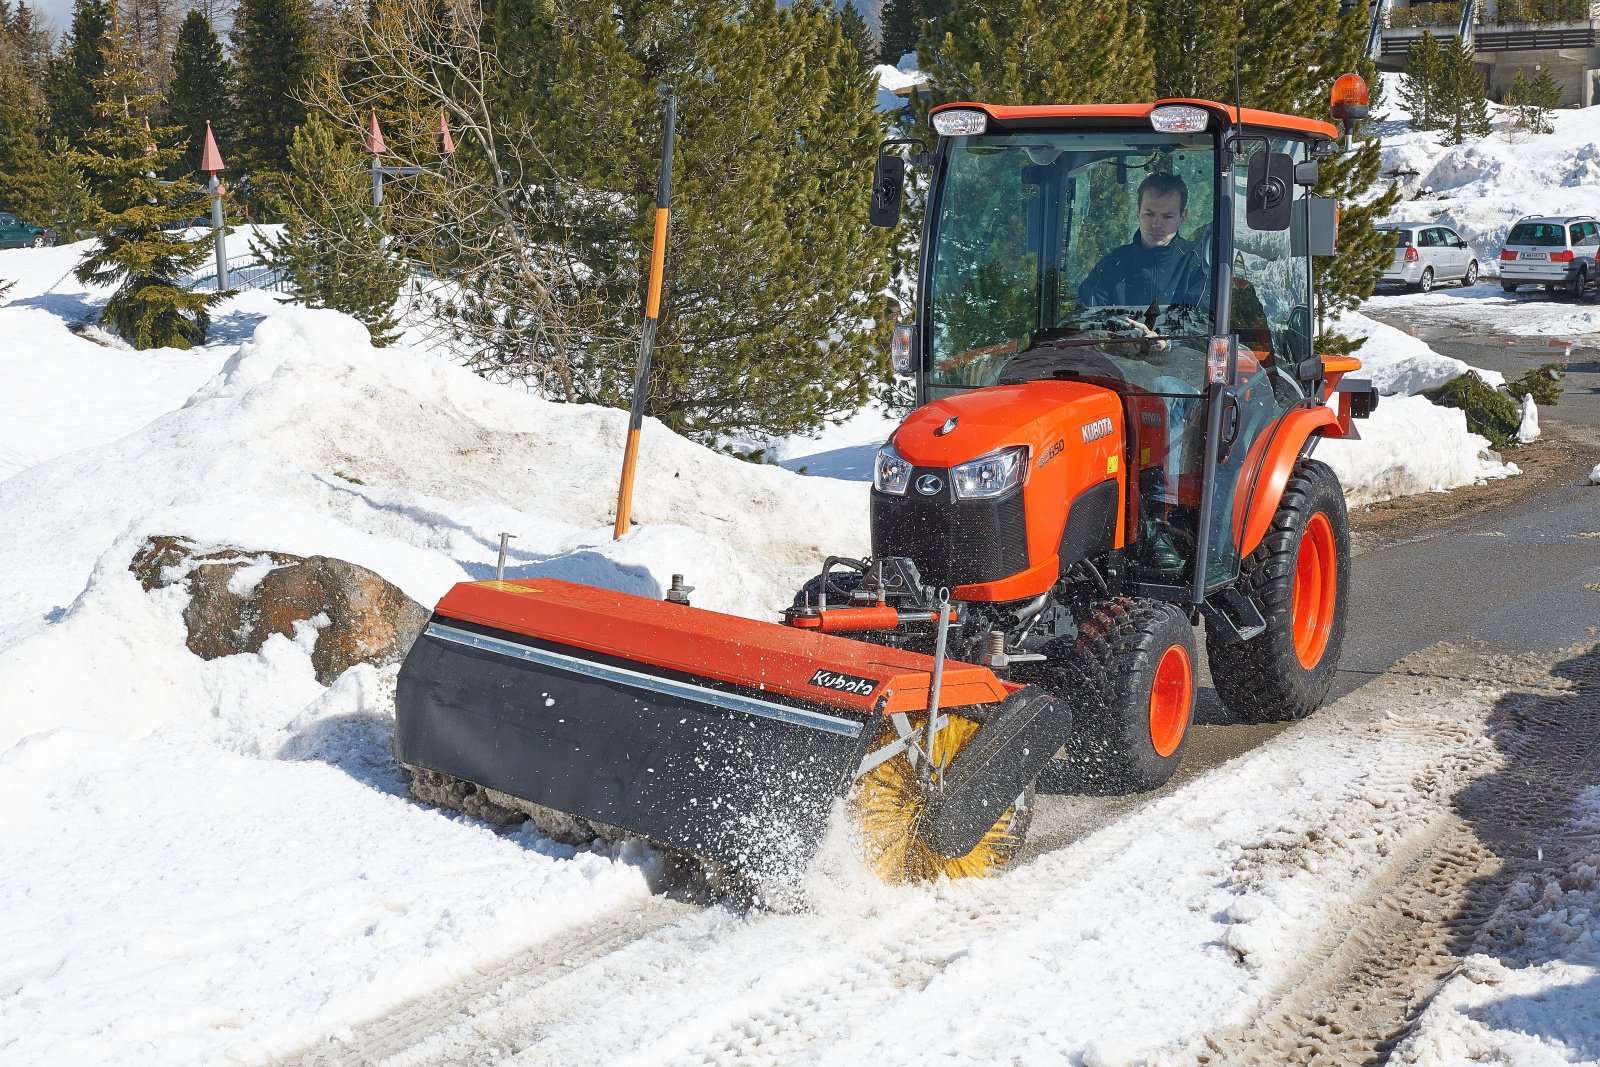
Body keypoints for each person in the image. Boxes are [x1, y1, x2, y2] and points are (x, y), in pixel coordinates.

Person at [1077, 172, 1209, 310]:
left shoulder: (1198, 264)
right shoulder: (1110, 267)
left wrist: (1162, 333)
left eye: (1167, 216)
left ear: (1182, 217)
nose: (1157, 224)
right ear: (1138, 212)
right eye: (1149, 214)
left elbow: (1204, 322)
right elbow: (1085, 321)